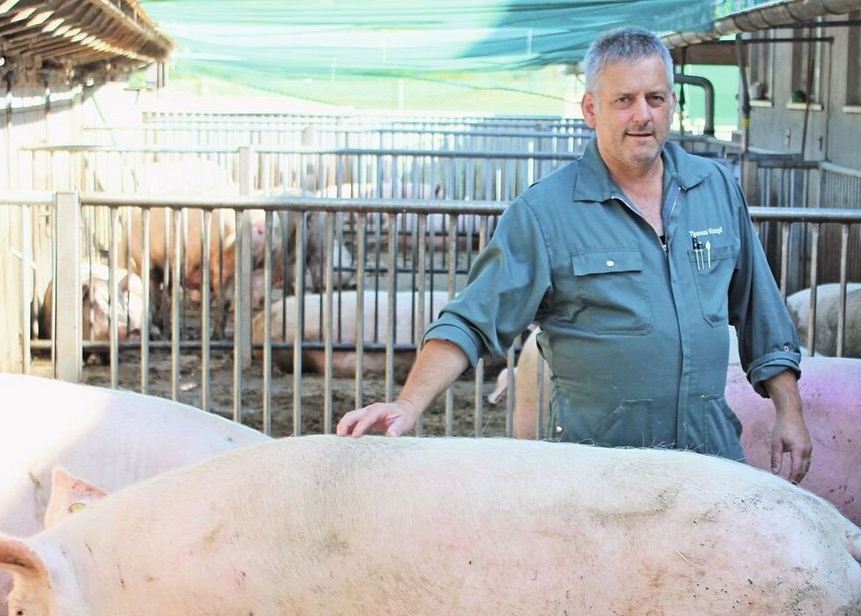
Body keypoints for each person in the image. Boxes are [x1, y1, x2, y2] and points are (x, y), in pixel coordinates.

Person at [337, 26, 812, 483]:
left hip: (711, 461)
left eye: (655, 98)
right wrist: (408, 404)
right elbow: (472, 320)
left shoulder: (716, 188)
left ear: (671, 104)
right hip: (599, 476)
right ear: (590, 109)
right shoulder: (545, 212)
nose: (642, 115)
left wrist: (789, 412)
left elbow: (760, 311)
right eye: (623, 100)